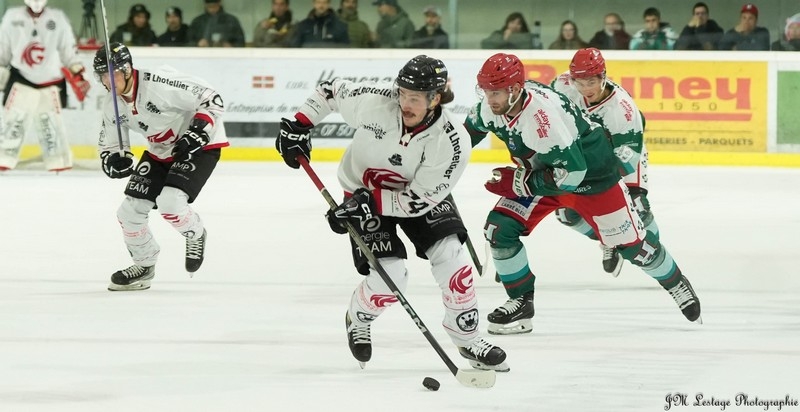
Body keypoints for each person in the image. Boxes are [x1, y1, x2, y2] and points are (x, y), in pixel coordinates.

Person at [275, 55, 509, 372]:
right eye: (402, 93)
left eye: (415, 98)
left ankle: (467, 338)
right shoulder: (374, 102)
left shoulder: (453, 140)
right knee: (391, 276)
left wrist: (366, 205)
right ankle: (359, 317)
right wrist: (300, 125)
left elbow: (418, 200)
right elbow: (330, 91)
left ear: (436, 98)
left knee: (453, 259)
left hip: (418, 197)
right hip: (361, 190)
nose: (405, 104)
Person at [464, 53, 702, 335]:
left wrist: (520, 182)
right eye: (486, 91)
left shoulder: (543, 121)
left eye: (496, 92)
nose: (489, 99)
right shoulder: (495, 105)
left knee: (634, 248)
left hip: (593, 178)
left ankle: (675, 283)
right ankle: (521, 301)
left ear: (515, 89)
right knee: (499, 228)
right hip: (547, 174)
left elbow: (572, 174)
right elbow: (465, 136)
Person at [93, 43, 229, 291]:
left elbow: (212, 98)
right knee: (129, 213)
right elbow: (110, 145)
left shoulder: (158, 83)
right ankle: (144, 265)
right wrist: (113, 160)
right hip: (161, 150)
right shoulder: (111, 104)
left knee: (170, 203)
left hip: (199, 145)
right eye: (102, 75)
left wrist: (198, 131)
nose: (107, 81)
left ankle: (195, 233)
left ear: (127, 69)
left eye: (112, 74)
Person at [550, 47, 656, 277]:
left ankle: (656, 257)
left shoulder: (622, 110)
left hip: (623, 153)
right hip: (585, 160)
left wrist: (598, 186)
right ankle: (609, 240)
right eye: (580, 82)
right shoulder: (562, 85)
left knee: (638, 207)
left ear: (603, 76)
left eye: (591, 82)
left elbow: (628, 159)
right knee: (566, 214)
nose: (585, 89)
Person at [0, 0, 86, 171]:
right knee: (14, 123)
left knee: (51, 128)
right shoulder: (12, 17)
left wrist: (78, 72)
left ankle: (58, 161)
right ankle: (3, 158)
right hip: (21, 78)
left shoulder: (58, 18)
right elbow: (3, 48)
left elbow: (68, 50)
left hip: (51, 80)